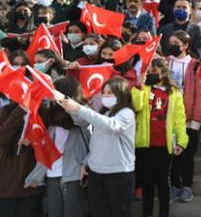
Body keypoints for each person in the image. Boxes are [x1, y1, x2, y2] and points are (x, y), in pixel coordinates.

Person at [57, 77, 136, 217]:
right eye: (104, 92)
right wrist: (86, 162)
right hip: (97, 174)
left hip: (118, 174)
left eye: (110, 93)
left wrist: (79, 108)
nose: (105, 96)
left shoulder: (126, 113)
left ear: (121, 94)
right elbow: (96, 142)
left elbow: (111, 125)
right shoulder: (103, 114)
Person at [24, 77, 91, 217]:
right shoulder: (52, 116)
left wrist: (63, 101)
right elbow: (47, 149)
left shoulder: (83, 113)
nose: (51, 96)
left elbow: (81, 119)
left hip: (73, 176)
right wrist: (36, 176)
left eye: (54, 92)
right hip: (52, 175)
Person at [131, 58, 188, 217]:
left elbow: (180, 119)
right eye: (149, 72)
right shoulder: (143, 88)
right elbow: (137, 106)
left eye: (154, 72)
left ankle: (164, 214)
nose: (151, 75)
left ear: (163, 73)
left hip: (164, 144)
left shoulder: (175, 92)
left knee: (164, 183)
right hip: (144, 143)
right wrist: (138, 87)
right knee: (147, 183)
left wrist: (182, 141)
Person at [165, 31, 201, 203]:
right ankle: (173, 186)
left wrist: (196, 121)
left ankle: (187, 186)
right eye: (170, 42)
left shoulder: (195, 65)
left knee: (187, 155)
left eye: (176, 42)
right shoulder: (165, 62)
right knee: (172, 155)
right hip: (168, 118)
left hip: (188, 119)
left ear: (185, 45)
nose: (172, 45)